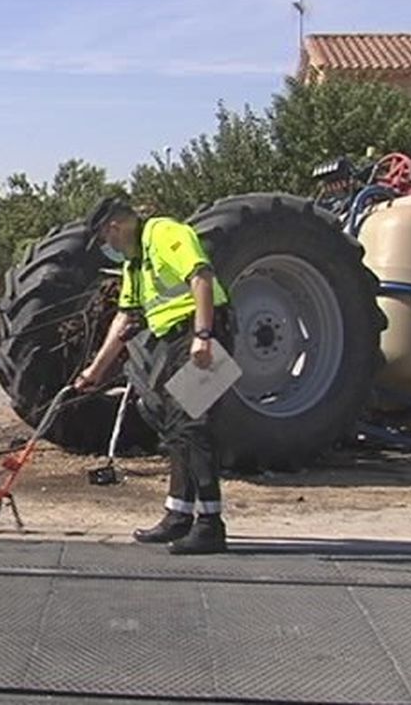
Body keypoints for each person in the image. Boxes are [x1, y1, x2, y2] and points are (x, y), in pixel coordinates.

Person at [72, 198, 232, 555]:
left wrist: (204, 337)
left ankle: (210, 525)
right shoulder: (135, 264)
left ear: (113, 227)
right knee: (174, 426)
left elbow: (201, 276)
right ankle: (178, 516)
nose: (106, 247)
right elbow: (126, 319)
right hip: (174, 340)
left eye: (102, 238)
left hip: (206, 332)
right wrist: (94, 372)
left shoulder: (164, 233)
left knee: (194, 425)